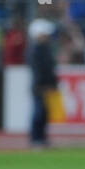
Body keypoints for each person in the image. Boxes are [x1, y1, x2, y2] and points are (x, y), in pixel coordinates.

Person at [28, 19, 58, 149]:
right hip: (39, 87)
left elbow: (49, 69)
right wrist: (43, 85)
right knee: (38, 112)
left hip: (44, 86)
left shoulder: (44, 49)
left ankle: (42, 138)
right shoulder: (36, 50)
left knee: (44, 113)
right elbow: (39, 70)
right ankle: (36, 139)